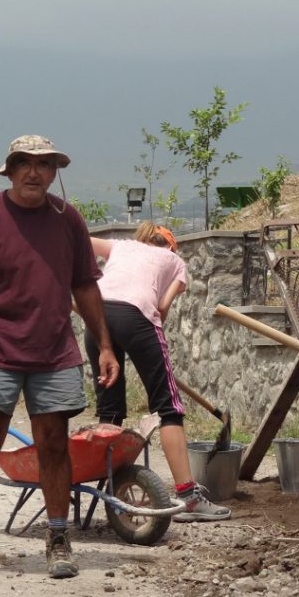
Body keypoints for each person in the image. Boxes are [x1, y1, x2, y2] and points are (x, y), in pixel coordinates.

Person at [0, 135, 120, 584]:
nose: (34, 172)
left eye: (44, 165)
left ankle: (58, 538)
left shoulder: (67, 220)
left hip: (54, 348)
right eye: (25, 164)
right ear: (10, 170)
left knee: (54, 443)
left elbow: (84, 285)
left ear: (55, 172)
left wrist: (106, 345)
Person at [83, 221, 231, 522]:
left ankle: (114, 493)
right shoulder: (175, 262)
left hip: (95, 314)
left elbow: (80, 240)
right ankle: (189, 497)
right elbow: (161, 310)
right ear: (170, 246)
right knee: (168, 408)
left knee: (110, 408)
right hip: (135, 316)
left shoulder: (121, 246)